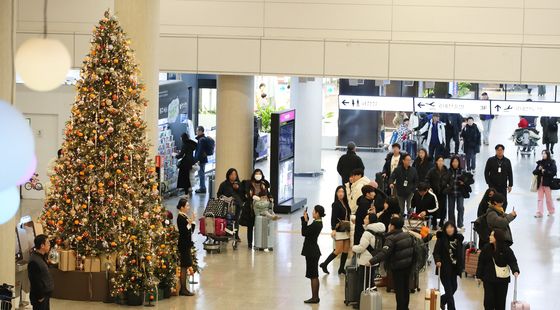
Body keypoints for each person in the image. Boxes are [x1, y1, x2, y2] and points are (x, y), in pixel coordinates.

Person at [369, 217, 415, 310]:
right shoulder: (408, 235)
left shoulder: (391, 238)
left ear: (392, 226)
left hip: (398, 268)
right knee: (405, 289)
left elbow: (384, 253)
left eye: (390, 224)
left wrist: (371, 261)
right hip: (408, 266)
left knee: (399, 291)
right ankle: (405, 308)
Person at [476, 229, 520, 310]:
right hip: (488, 279)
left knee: (500, 303)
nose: (490, 237)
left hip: (502, 281)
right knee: (488, 302)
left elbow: (512, 261)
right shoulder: (486, 248)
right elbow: (481, 262)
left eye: (492, 235)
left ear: (497, 237)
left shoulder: (506, 249)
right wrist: (478, 276)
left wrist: (515, 270)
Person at [352, 213, 386, 308]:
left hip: (365, 261)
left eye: (366, 218)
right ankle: (373, 300)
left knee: (362, 282)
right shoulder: (379, 230)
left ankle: (361, 303)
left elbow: (361, 248)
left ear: (370, 220)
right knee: (370, 281)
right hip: (374, 259)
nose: (364, 219)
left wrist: (353, 247)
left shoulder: (367, 233)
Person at [320, 186, 351, 275]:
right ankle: (325, 264)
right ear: (336, 193)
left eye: (342, 192)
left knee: (345, 250)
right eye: (339, 192)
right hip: (339, 229)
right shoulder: (336, 204)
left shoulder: (345, 203)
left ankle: (341, 268)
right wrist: (333, 229)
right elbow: (333, 217)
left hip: (346, 229)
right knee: (338, 250)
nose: (341, 193)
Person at [433, 222, 464, 310]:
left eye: (451, 227)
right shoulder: (441, 239)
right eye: (447, 227)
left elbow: (460, 254)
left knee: (454, 287)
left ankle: (441, 301)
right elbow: (436, 252)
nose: (449, 229)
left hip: (454, 269)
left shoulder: (458, 239)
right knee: (449, 291)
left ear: (454, 228)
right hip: (444, 269)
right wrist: (438, 260)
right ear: (445, 229)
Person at [301, 205, 325, 304]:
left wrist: (304, 221)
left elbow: (304, 232)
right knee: (313, 275)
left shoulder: (316, 224)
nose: (312, 213)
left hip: (312, 251)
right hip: (313, 251)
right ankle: (315, 297)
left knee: (313, 275)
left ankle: (315, 297)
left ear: (318, 213)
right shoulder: (317, 223)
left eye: (314, 211)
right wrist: (306, 220)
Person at [217, 168, 244, 241]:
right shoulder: (224, 184)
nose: (233, 176)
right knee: (227, 219)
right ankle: (226, 234)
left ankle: (236, 235)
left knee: (236, 220)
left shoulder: (239, 184)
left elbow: (242, 195)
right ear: (228, 175)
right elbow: (219, 194)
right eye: (231, 174)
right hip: (226, 205)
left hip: (237, 205)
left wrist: (238, 188)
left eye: (235, 174)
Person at [447, 156, 473, 230]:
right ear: (451, 163)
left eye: (456, 162)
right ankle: (451, 224)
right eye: (453, 162)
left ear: (459, 162)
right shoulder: (448, 171)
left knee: (460, 208)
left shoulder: (462, 171)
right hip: (451, 193)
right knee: (451, 209)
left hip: (460, 193)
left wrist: (464, 182)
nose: (455, 163)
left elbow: (471, 180)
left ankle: (460, 224)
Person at [28, 234, 54, 310]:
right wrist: (40, 296)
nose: (49, 245)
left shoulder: (41, 257)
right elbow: (34, 281)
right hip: (40, 297)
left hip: (45, 295)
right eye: (48, 243)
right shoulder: (34, 261)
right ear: (42, 246)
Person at [484, 144, 513, 210]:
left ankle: (501, 214)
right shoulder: (491, 160)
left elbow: (510, 173)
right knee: (493, 202)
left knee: (504, 202)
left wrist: (510, 185)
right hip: (493, 186)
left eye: (501, 150)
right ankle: (493, 215)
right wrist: (488, 183)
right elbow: (486, 172)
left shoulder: (507, 161)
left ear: (503, 151)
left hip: (503, 186)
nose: (499, 151)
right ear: (496, 151)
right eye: (498, 150)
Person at [176, 198, 196, 296]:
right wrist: (190, 223)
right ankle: (183, 289)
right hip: (183, 244)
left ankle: (184, 288)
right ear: (182, 207)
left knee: (185, 265)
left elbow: (190, 230)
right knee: (184, 265)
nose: (188, 207)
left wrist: (192, 221)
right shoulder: (180, 217)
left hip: (186, 243)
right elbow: (184, 231)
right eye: (187, 206)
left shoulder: (184, 216)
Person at [426, 155, 450, 227]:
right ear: (436, 162)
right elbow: (427, 179)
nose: (441, 162)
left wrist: (447, 189)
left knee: (443, 208)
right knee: (434, 208)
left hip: (443, 192)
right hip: (434, 192)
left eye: (442, 161)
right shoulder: (432, 171)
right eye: (439, 161)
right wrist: (429, 187)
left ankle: (442, 222)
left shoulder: (446, 171)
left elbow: (450, 181)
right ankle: (434, 223)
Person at [533, 150, 556, 218]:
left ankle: (551, 211)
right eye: (542, 153)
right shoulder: (540, 163)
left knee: (548, 199)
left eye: (545, 154)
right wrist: (538, 169)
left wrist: (545, 171)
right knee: (540, 199)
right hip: (540, 183)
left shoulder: (552, 162)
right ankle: (539, 212)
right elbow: (534, 172)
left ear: (548, 155)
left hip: (548, 183)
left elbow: (553, 172)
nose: (543, 155)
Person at [194, 126, 213, 194]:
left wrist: (197, 159)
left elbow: (200, 150)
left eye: (197, 131)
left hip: (201, 160)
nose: (196, 132)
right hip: (203, 159)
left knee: (201, 174)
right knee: (202, 173)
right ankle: (202, 187)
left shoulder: (201, 140)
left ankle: (202, 188)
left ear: (201, 131)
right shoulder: (203, 139)